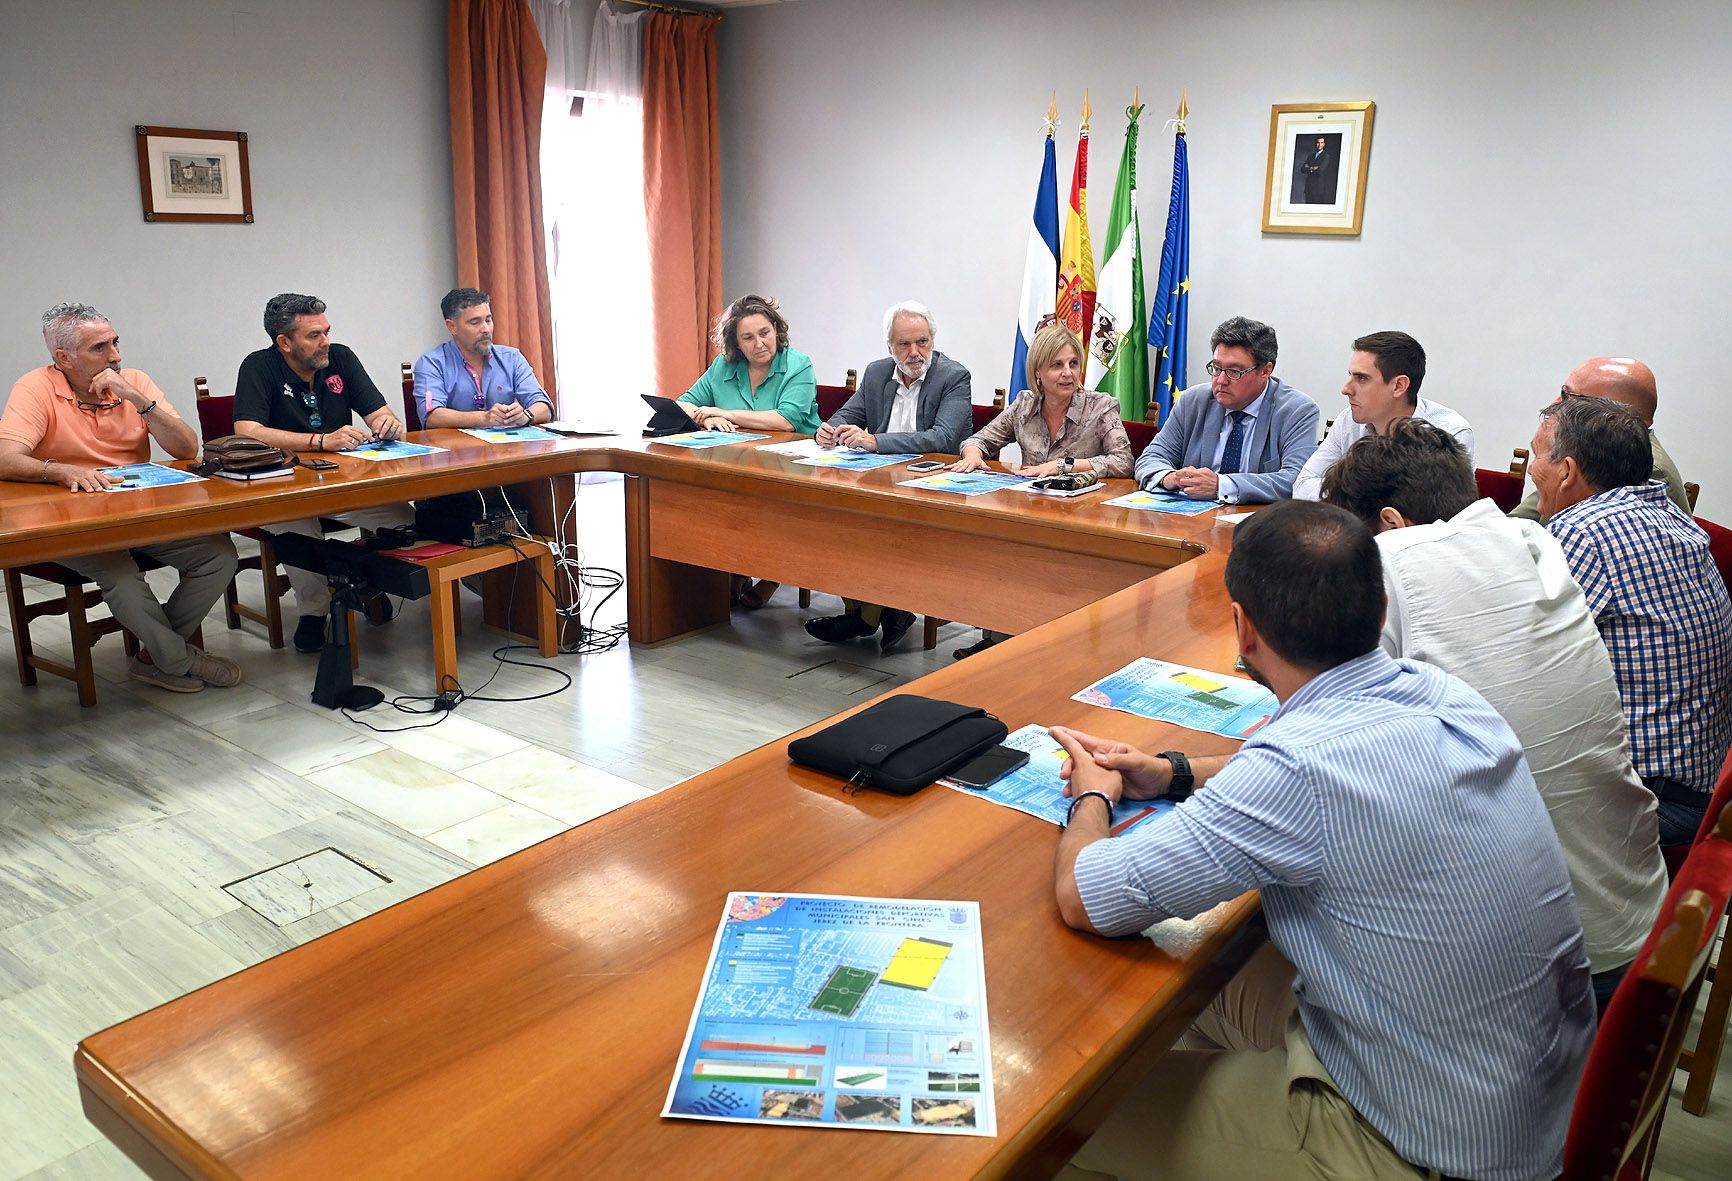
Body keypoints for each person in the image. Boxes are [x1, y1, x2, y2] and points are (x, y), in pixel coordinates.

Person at [1051, 500, 1593, 1181]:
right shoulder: (1443, 692)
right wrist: (1170, 771)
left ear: (1243, 629)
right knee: (1189, 988)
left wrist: (1092, 795)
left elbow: (1083, 894)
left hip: (1423, 1150)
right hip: (1523, 1101)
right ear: (1381, 607)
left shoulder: (1296, 770)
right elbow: (1315, 769)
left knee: (1072, 1119)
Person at [1322, 419, 1666, 1007]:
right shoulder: (1534, 544)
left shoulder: (1390, 560)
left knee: (1261, 954)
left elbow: (1325, 757)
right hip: (1629, 918)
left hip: (1535, 978)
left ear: (1389, 524)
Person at [0, 303, 240, 693]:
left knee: (218, 555)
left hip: (137, 513)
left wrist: (138, 400)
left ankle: (153, 657)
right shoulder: (36, 387)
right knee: (122, 575)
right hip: (69, 522)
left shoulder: (135, 381)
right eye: (100, 348)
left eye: (115, 342)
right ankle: (178, 660)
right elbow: (5, 459)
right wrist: (60, 470)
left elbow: (185, 449)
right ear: (64, 358)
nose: (116, 356)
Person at [1530, 395, 1732, 846]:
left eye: (1538, 455)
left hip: (1649, 806)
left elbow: (1523, 662)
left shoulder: (1581, 530)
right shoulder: (1671, 517)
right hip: (1698, 788)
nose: (1530, 470)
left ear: (1566, 471)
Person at [233, 293, 413, 653]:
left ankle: (364, 582)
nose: (325, 341)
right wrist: (319, 440)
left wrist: (387, 423)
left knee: (402, 519)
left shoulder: (341, 358)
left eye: (326, 331)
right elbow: (246, 429)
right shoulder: (259, 366)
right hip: (284, 491)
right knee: (299, 532)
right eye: (314, 335)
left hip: (340, 485)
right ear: (284, 342)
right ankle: (314, 614)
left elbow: (378, 411)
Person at [950, 322, 1133, 659]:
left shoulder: (1100, 406)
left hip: (1084, 520)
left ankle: (1041, 646)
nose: (1068, 373)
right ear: (1038, 371)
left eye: (1073, 363)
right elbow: (979, 439)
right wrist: (974, 453)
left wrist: (1066, 465)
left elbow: (1124, 461)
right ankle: (997, 639)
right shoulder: (1023, 406)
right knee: (997, 548)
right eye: (1057, 365)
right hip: (1029, 515)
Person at [806, 300, 972, 650]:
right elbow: (847, 413)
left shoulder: (954, 376)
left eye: (923, 342)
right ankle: (875, 610)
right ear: (889, 347)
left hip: (932, 486)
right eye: (904, 344)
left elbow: (942, 439)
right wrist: (828, 429)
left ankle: (867, 617)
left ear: (933, 341)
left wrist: (875, 440)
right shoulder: (878, 372)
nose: (915, 352)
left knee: (877, 526)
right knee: (838, 517)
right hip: (879, 480)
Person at [677, 293, 819, 610]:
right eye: (748, 337)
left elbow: (784, 420)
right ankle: (732, 568)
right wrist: (708, 415)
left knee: (764, 501)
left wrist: (723, 412)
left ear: (777, 330)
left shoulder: (798, 364)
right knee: (712, 499)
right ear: (736, 343)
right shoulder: (723, 366)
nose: (759, 344)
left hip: (794, 466)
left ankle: (771, 575)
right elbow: (683, 404)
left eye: (764, 333)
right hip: (739, 464)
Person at [1133, 316, 1319, 503]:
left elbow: (1296, 480)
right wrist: (1171, 478)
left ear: (1265, 371)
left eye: (1234, 371)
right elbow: (1151, 457)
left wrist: (1221, 485)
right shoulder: (1193, 401)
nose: (1221, 380)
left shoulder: (1298, 411)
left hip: (1257, 525)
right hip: (1191, 522)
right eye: (1216, 368)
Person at [1292, 329, 1474, 500]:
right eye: (1350, 376)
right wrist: (1361, 498)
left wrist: (1344, 493)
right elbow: (1302, 485)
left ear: (1398, 386)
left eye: (1361, 378)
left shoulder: (1450, 432)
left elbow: (1421, 511)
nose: (1346, 389)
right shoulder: (1348, 420)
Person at [1510, 354, 1690, 522]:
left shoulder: (1643, 468)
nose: (1555, 403)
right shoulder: (1586, 447)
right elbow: (1519, 522)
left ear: (1611, 414)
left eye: (1568, 396)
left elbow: (1574, 545)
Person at [413, 287, 552, 429]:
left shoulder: (511, 358)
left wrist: (525, 416)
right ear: (452, 327)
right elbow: (432, 417)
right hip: (457, 449)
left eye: (488, 320)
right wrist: (484, 418)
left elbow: (544, 407)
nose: (486, 329)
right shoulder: (431, 364)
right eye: (475, 322)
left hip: (505, 449)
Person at [1297, 135, 1333, 203]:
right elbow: (1302, 169)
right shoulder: (1310, 156)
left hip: (1318, 188)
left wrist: (1309, 167)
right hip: (1309, 187)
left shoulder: (1326, 156)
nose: (1319, 144)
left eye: (1321, 143)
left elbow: (1320, 170)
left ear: (1324, 144)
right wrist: (1313, 168)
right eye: (1318, 142)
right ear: (1315, 143)